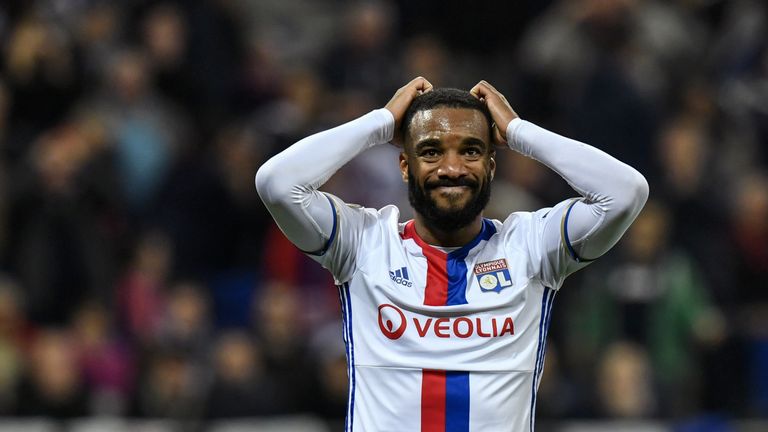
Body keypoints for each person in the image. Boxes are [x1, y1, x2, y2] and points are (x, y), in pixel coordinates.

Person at [255, 77, 648, 431]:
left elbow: (626, 192)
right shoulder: (364, 244)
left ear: (492, 166)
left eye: (472, 151)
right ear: (404, 167)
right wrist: (379, 123)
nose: (452, 167)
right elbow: (276, 183)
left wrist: (518, 131)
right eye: (430, 152)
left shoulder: (530, 247)